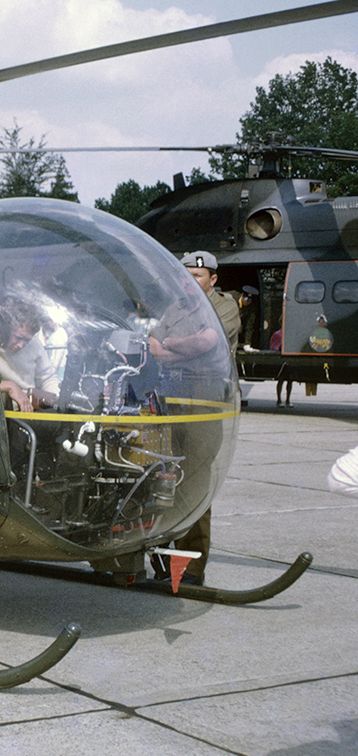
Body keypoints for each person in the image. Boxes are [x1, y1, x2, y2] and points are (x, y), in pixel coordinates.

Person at [148, 250, 240, 586]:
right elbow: (153, 343)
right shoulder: (176, 308)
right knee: (161, 474)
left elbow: (208, 342)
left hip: (206, 402)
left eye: (197, 276)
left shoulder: (224, 306)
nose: (189, 281)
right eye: (185, 275)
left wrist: (170, 345)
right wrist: (173, 346)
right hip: (170, 400)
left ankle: (191, 568)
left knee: (195, 479)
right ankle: (159, 553)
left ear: (213, 279)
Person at [0, 299, 60, 409]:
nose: (21, 345)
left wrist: (57, 402)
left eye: (27, 340)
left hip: (30, 408)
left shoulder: (35, 345)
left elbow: (48, 378)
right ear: (6, 328)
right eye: (18, 338)